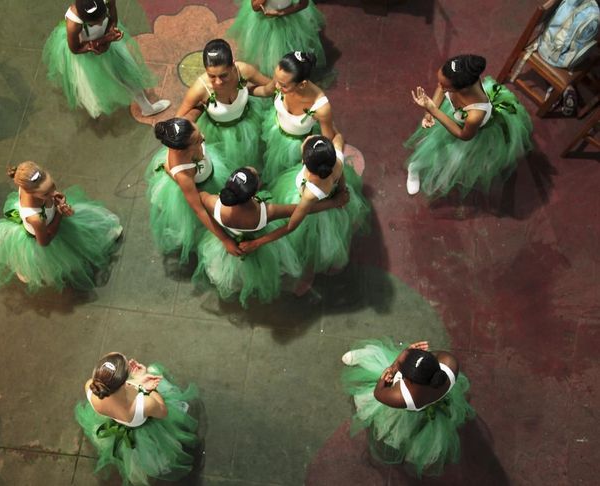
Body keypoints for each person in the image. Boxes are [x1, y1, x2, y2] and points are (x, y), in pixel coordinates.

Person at [193, 167, 347, 306]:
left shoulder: (214, 203)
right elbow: (302, 209)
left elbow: (199, 199)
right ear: (253, 193)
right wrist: (333, 203)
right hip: (256, 242)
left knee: (237, 272)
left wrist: (225, 239)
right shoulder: (265, 212)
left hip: (227, 243)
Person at [341, 338, 475, 477]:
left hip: (408, 406)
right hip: (434, 395)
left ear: (408, 379)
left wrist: (395, 365)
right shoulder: (449, 362)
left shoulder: (401, 397)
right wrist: (416, 360)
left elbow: (378, 393)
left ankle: (366, 358)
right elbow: (432, 359)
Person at [405, 54, 533, 198]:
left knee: (451, 158)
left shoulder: (476, 113)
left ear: (463, 89)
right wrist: (429, 114)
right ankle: (415, 167)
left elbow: (463, 135)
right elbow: (441, 89)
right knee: (433, 148)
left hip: (467, 131)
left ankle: (436, 170)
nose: (440, 86)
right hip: (454, 117)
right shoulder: (459, 76)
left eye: (445, 86)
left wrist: (433, 110)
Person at [0, 161, 122, 292]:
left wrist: (55, 200)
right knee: (66, 259)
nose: (53, 193)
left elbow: (51, 194)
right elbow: (44, 241)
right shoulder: (34, 218)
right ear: (30, 192)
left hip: (51, 217)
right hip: (46, 232)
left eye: (52, 186)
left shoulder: (28, 185)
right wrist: (59, 213)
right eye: (46, 194)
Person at [244, 136, 368, 276]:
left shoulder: (310, 194)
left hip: (316, 212)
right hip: (331, 193)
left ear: (305, 163)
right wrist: (341, 188)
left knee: (308, 240)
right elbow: (338, 138)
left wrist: (257, 243)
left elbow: (291, 226)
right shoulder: (337, 159)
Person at [76, 352, 198, 485]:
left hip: (117, 417)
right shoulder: (142, 403)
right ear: (122, 383)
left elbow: (116, 391)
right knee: (153, 371)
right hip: (144, 429)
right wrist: (147, 387)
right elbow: (162, 411)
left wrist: (135, 382)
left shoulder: (90, 388)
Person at [43, 0, 170, 118]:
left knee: (128, 73)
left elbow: (113, 17)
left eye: (103, 18)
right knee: (98, 83)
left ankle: (146, 107)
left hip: (109, 43)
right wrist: (104, 41)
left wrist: (111, 30)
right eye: (95, 23)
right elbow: (75, 48)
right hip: (89, 56)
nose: (99, 23)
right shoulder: (73, 24)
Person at [146, 118, 243, 263]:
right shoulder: (184, 174)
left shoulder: (183, 132)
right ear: (181, 150)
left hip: (208, 172)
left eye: (199, 133)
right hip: (201, 187)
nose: (203, 138)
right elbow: (199, 210)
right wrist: (225, 239)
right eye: (197, 140)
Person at [176, 39, 273, 170]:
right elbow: (179, 119)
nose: (218, 82)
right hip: (219, 135)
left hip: (249, 121)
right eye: (212, 76)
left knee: (253, 152)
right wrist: (197, 111)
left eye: (224, 75)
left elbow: (269, 84)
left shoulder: (243, 70)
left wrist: (253, 91)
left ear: (233, 66)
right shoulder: (200, 88)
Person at [260, 51, 341, 182]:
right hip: (275, 130)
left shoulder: (321, 107)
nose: (276, 86)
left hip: (297, 148)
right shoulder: (281, 81)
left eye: (283, 85)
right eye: (276, 79)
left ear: (302, 84)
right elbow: (265, 90)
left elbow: (327, 142)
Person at [227, 0, 326, 77]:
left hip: (289, 18)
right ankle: (269, 71)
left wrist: (281, 13)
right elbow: (255, 6)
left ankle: (288, 71)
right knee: (264, 47)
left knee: (289, 46)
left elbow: (304, 4)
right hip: (264, 20)